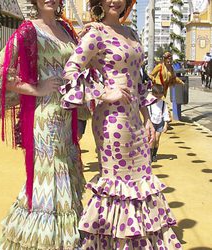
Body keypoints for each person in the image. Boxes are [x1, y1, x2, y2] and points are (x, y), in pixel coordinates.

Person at [59, 0, 182, 248]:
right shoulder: (95, 32)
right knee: (118, 184)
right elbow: (70, 71)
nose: (115, 0)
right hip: (112, 123)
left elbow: (139, 81)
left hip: (136, 120)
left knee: (141, 182)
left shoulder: (132, 32)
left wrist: (148, 119)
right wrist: (103, 92)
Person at [0, 0, 85, 248]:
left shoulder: (66, 29)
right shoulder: (28, 30)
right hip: (45, 118)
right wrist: (36, 88)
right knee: (48, 182)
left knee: (65, 177)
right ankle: (41, 240)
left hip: (67, 117)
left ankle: (63, 241)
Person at [148, 84, 170, 162]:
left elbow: (165, 114)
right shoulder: (149, 102)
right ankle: (150, 155)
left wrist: (166, 125)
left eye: (160, 94)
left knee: (157, 139)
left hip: (159, 122)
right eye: (156, 94)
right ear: (153, 93)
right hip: (151, 122)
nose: (158, 96)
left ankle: (154, 154)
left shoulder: (163, 103)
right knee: (152, 139)